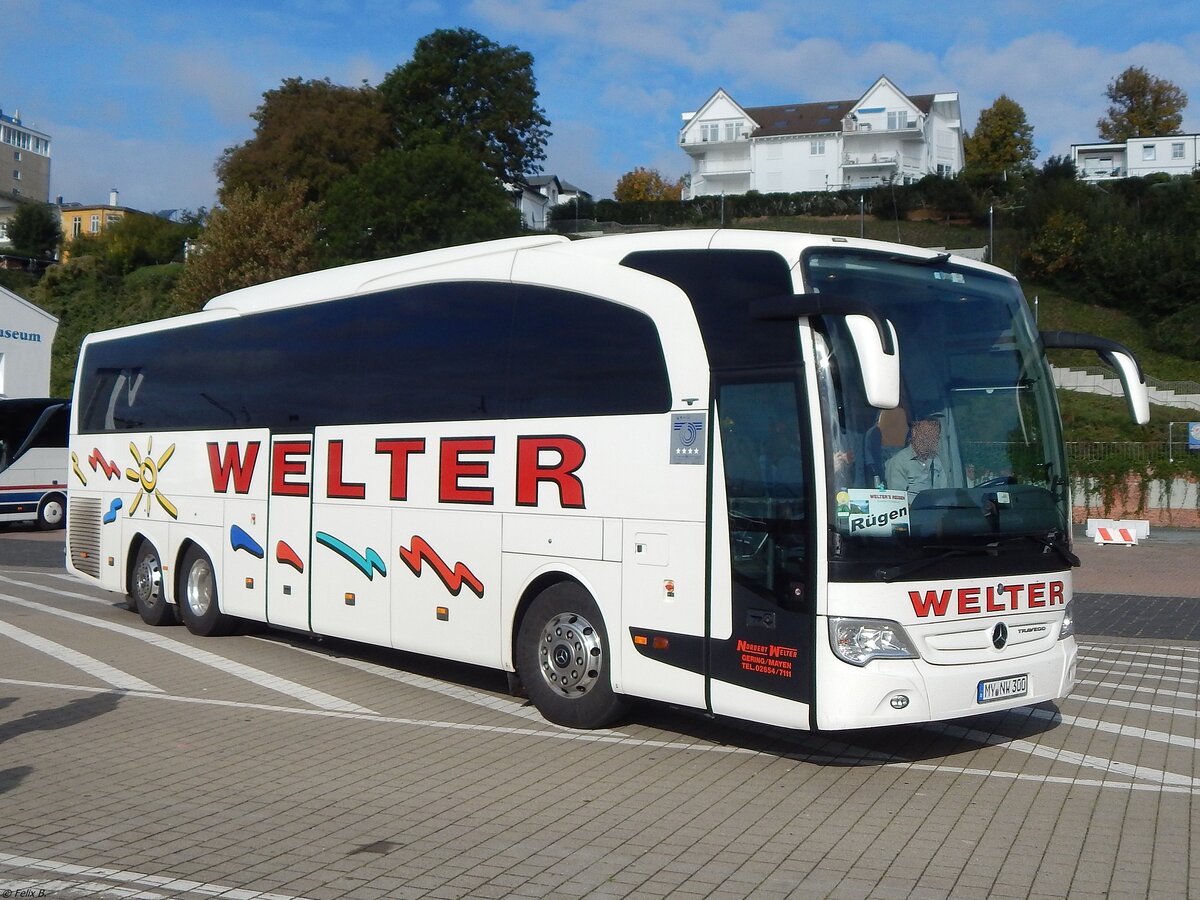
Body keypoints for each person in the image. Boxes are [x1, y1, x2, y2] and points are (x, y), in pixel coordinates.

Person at [885, 415, 949, 494]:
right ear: (914, 433)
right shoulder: (899, 462)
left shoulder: (936, 460)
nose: (929, 441)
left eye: (934, 437)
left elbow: (943, 491)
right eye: (926, 435)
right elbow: (898, 497)